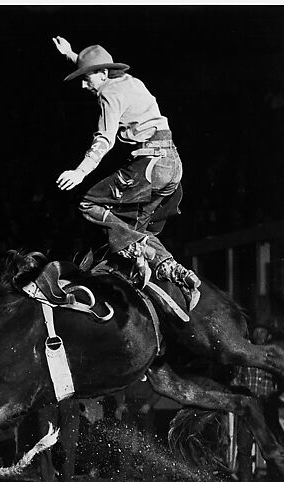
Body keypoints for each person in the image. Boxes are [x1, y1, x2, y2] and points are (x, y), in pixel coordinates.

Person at [53, 37, 201, 310]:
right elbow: (96, 67)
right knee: (132, 229)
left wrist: (80, 171)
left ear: (104, 74)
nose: (84, 86)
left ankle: (139, 250)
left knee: (89, 204)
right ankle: (177, 272)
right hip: (173, 166)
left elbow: (104, 140)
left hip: (150, 166)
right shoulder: (132, 82)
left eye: (87, 79)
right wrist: (72, 55)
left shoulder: (109, 94)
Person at [230, 325, 280, 482]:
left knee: (269, 442)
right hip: (249, 404)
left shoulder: (272, 357)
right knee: (244, 443)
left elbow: (278, 381)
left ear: (268, 336)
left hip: (267, 404)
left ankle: (273, 477)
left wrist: (273, 395)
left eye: (263, 331)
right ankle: (246, 478)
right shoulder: (245, 355)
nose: (259, 334)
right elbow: (236, 379)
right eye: (256, 331)